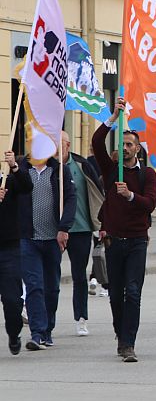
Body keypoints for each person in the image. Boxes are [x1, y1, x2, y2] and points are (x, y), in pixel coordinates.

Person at [93, 99, 156, 362]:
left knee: (133, 290)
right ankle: (120, 333)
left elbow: (150, 204)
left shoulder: (147, 175)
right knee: (116, 293)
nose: (126, 147)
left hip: (137, 241)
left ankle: (128, 342)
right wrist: (113, 117)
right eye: (123, 143)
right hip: (114, 241)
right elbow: (97, 143)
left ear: (138, 149)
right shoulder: (111, 171)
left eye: (130, 144)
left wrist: (130, 195)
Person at [19, 133, 77, 351]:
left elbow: (71, 199)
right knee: (34, 286)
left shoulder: (59, 170)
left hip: (53, 238)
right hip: (28, 238)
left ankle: (48, 329)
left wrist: (64, 228)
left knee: (51, 288)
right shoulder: (22, 169)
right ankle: (37, 332)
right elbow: (12, 194)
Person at [60, 131, 104, 337]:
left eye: (58, 143)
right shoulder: (45, 166)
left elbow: (97, 191)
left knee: (79, 276)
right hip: (53, 231)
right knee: (47, 277)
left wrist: (102, 223)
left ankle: (81, 318)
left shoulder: (81, 165)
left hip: (81, 229)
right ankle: (43, 320)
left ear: (68, 144)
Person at [1, 150, 30, 354]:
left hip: (9, 247)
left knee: (12, 299)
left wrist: (15, 167)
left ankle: (13, 332)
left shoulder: (8, 180)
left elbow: (27, 187)